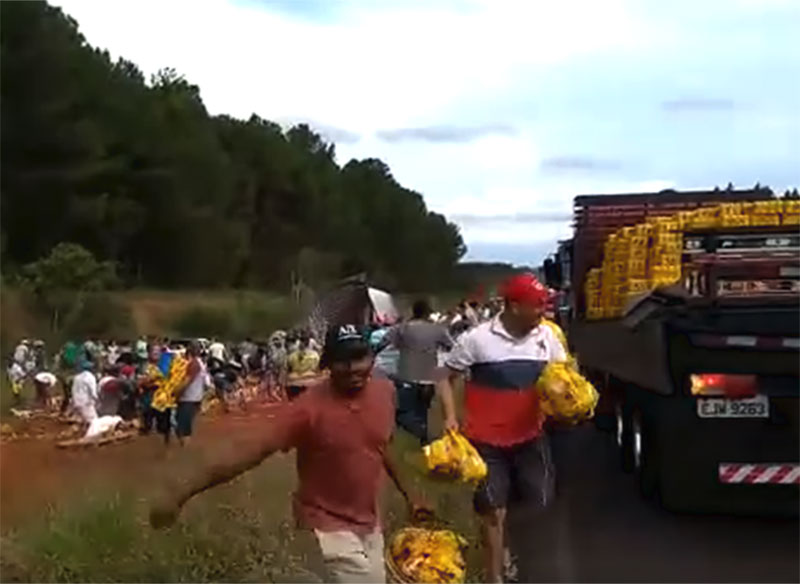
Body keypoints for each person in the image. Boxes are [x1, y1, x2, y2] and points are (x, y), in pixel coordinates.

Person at [150, 324, 429, 583]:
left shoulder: (384, 392)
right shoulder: (306, 410)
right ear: (328, 364)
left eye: (360, 358)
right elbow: (248, 452)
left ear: (372, 357)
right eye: (343, 360)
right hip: (325, 526)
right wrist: (181, 493)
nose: (354, 368)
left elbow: (381, 445)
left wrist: (412, 497)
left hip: (369, 523)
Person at [437, 273, 567, 584]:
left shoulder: (547, 338)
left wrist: (566, 400)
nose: (542, 312)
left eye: (544, 305)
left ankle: (511, 544)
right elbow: (444, 376)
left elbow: (564, 377)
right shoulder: (477, 339)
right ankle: (495, 576)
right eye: (537, 306)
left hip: (530, 437)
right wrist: (449, 417)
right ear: (513, 306)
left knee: (539, 501)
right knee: (493, 512)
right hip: (486, 441)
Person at [380, 299, 453, 445]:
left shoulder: (402, 328)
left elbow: (383, 342)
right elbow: (451, 345)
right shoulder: (437, 329)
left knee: (405, 412)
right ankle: (423, 438)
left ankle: (422, 434)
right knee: (423, 409)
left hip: (407, 374)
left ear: (414, 311)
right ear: (428, 313)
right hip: (429, 377)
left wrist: (401, 345)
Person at [173, 341, 206, 446]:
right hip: (193, 398)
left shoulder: (194, 364)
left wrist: (174, 393)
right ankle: (184, 450)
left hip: (188, 399)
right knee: (181, 426)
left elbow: (187, 382)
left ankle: (185, 454)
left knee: (184, 429)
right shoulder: (199, 362)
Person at [286, 330, 320, 400]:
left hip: (293, 383)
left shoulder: (291, 356)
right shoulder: (315, 356)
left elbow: (288, 369)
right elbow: (318, 369)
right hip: (309, 382)